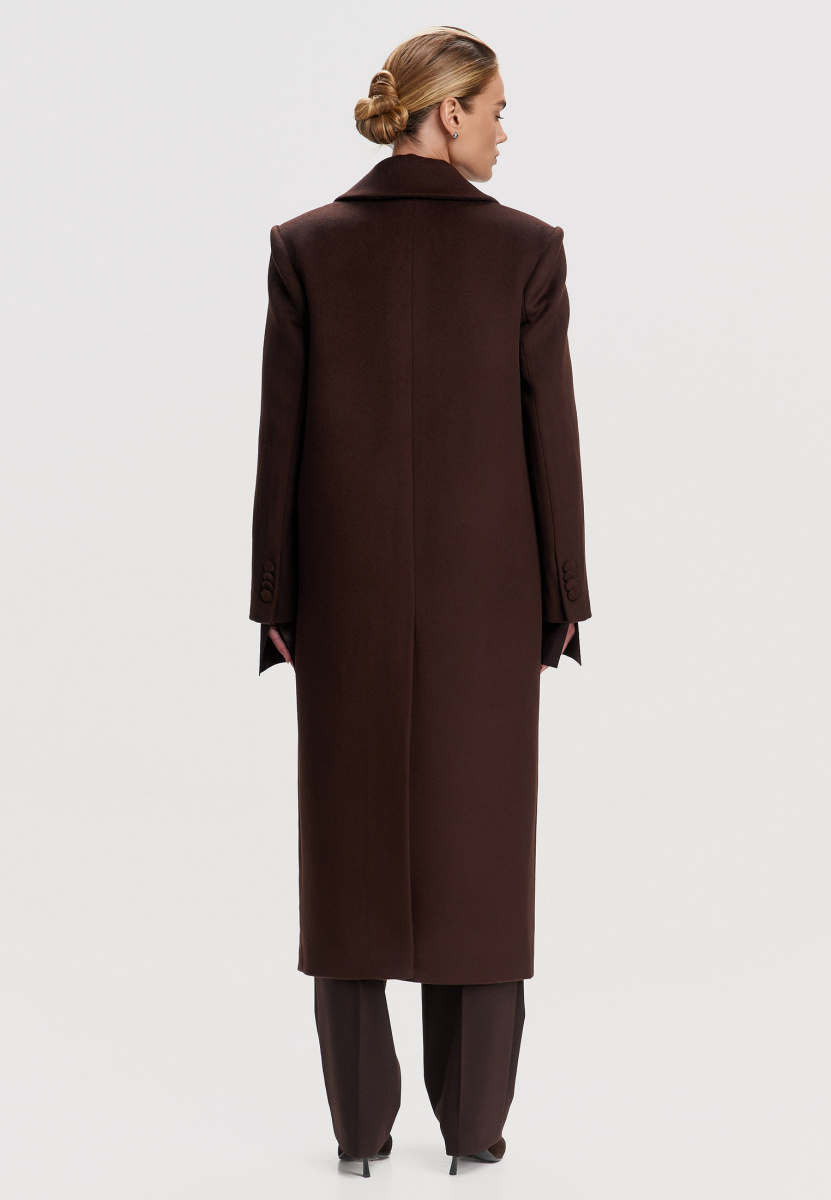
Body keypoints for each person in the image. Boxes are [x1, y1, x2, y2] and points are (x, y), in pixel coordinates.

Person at [248, 25, 592, 1177]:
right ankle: (475, 1132)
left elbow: (282, 442)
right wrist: (563, 596)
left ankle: (357, 1136)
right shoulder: (527, 254)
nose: (504, 130)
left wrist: (275, 597)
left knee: (349, 856)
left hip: (340, 600)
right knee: (480, 859)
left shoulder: (305, 248)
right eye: (495, 109)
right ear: (448, 114)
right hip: (489, 604)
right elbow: (551, 442)